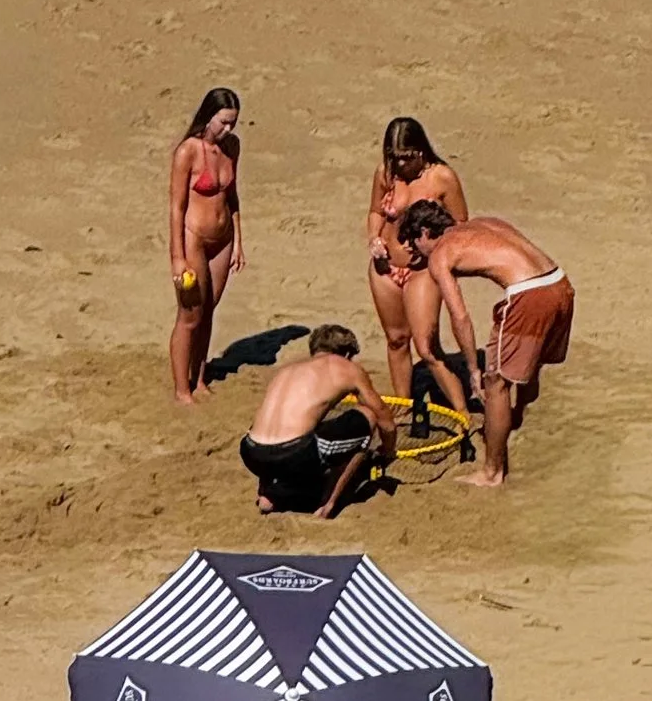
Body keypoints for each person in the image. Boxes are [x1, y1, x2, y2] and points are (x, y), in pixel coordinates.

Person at [391, 198, 573, 488]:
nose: (416, 254)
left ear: (425, 232)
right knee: (531, 363)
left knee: (495, 382)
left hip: (529, 295)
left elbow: (460, 316)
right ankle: (516, 417)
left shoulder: (441, 254)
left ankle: (492, 472)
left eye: (414, 244)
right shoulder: (484, 223)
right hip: (559, 284)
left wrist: (473, 370)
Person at [363, 115, 471, 413]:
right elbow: (375, 211)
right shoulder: (385, 174)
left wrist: (433, 251)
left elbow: (460, 225)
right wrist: (374, 237)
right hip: (385, 267)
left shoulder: (442, 178)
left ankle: (461, 410)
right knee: (397, 340)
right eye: (394, 158)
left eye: (406, 158)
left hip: (422, 270)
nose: (399, 166)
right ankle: (404, 403)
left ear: (420, 151)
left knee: (426, 345)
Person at [238, 326, 396, 517]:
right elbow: (384, 418)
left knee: (279, 427)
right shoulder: (347, 368)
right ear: (346, 353)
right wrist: (388, 451)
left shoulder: (286, 370)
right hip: (294, 455)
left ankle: (267, 496)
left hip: (251, 453)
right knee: (367, 416)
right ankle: (327, 505)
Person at [167, 89, 244, 405]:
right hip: (193, 238)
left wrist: (239, 240)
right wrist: (177, 258)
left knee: (208, 311)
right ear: (208, 116)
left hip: (222, 239)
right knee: (190, 315)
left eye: (233, 124)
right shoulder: (188, 152)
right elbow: (176, 206)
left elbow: (233, 196)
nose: (227, 130)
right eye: (223, 122)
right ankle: (181, 388)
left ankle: (198, 379)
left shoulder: (231, 148)